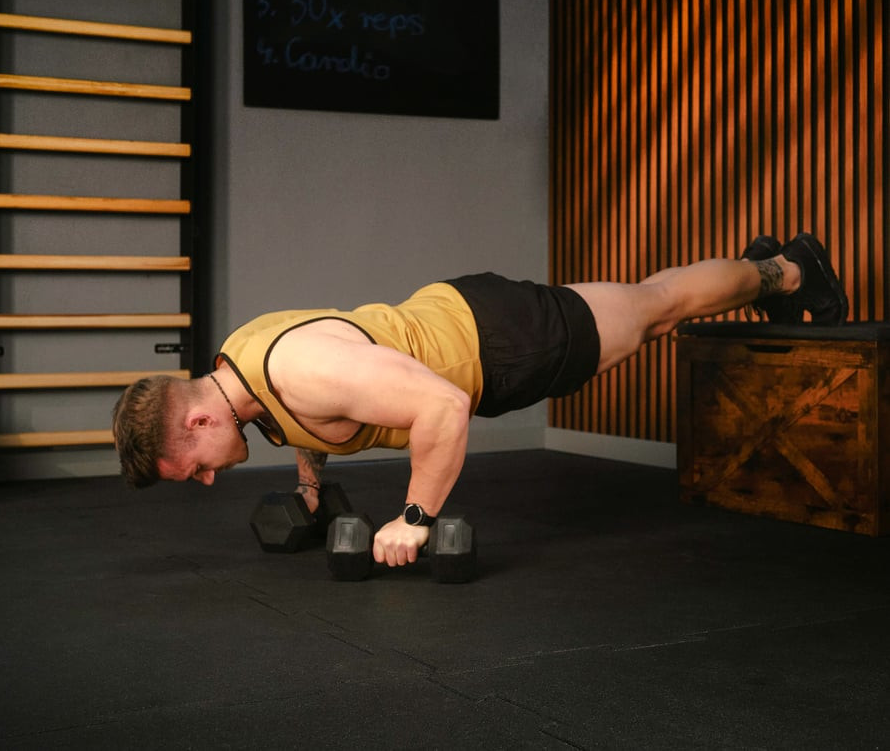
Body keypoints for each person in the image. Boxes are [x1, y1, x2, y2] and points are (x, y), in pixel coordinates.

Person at [113, 232, 847, 569]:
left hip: (504, 342)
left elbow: (440, 408)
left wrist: (414, 519)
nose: (208, 478)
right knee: (649, 310)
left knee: (656, 309)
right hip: (467, 321)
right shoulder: (237, 369)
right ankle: (764, 268)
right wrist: (311, 492)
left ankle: (786, 269)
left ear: (198, 419)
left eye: (195, 466)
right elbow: (299, 422)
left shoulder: (300, 370)